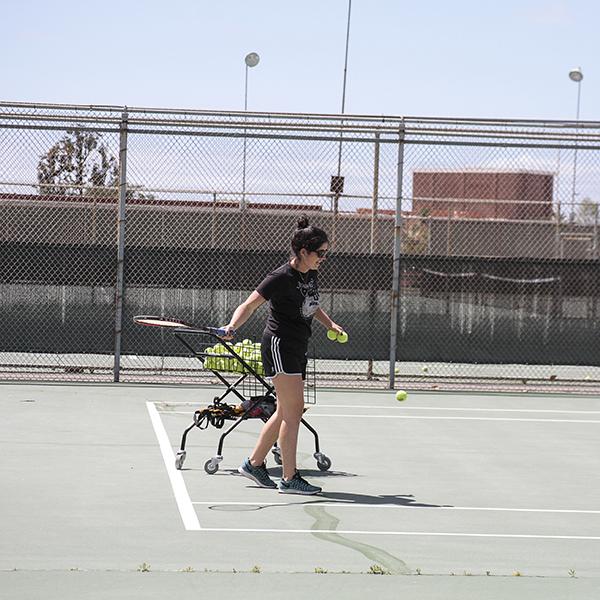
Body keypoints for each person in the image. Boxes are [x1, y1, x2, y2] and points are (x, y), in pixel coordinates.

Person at [220, 215, 344, 495]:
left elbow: (312, 305)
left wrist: (330, 323)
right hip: (280, 345)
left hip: (298, 345)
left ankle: (254, 464)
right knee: (293, 413)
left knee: (287, 411)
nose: (323, 258)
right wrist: (231, 326)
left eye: (326, 253)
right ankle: (290, 478)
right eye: (320, 253)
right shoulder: (280, 277)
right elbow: (249, 305)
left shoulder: (310, 273)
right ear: (303, 252)